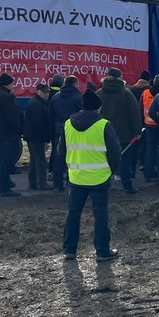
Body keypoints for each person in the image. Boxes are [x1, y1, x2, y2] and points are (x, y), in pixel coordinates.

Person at [61, 89, 122, 262]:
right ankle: (102, 251)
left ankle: (69, 250)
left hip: (76, 177)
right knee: (101, 214)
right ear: (98, 108)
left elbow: (60, 150)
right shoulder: (103, 125)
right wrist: (112, 170)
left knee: (73, 213)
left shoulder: (67, 124)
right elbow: (115, 152)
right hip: (99, 178)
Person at [97, 68, 143, 194]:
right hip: (124, 134)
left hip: (102, 133)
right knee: (124, 160)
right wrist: (138, 131)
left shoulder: (99, 93)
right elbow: (134, 114)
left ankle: (103, 184)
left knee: (104, 159)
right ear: (119, 78)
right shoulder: (126, 94)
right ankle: (127, 185)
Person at [0, 73, 23, 198]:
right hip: (8, 134)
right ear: (8, 84)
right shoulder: (6, 96)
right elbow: (11, 117)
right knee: (6, 161)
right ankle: (4, 189)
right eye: (12, 83)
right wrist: (20, 129)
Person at [51, 75, 83, 191]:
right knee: (74, 157)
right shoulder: (78, 97)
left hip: (58, 129)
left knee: (58, 156)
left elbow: (51, 114)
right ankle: (72, 181)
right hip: (73, 130)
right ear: (75, 83)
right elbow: (81, 114)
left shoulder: (56, 97)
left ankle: (57, 184)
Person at [24, 82, 53, 190]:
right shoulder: (37, 104)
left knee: (34, 160)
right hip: (36, 136)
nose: (47, 94)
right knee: (40, 160)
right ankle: (41, 183)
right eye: (45, 92)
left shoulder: (36, 102)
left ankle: (34, 183)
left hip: (33, 136)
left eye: (48, 92)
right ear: (38, 91)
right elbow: (39, 122)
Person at [140, 75, 159, 182]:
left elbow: (140, 108)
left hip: (148, 126)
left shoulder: (145, 93)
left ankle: (148, 173)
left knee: (150, 150)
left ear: (153, 82)